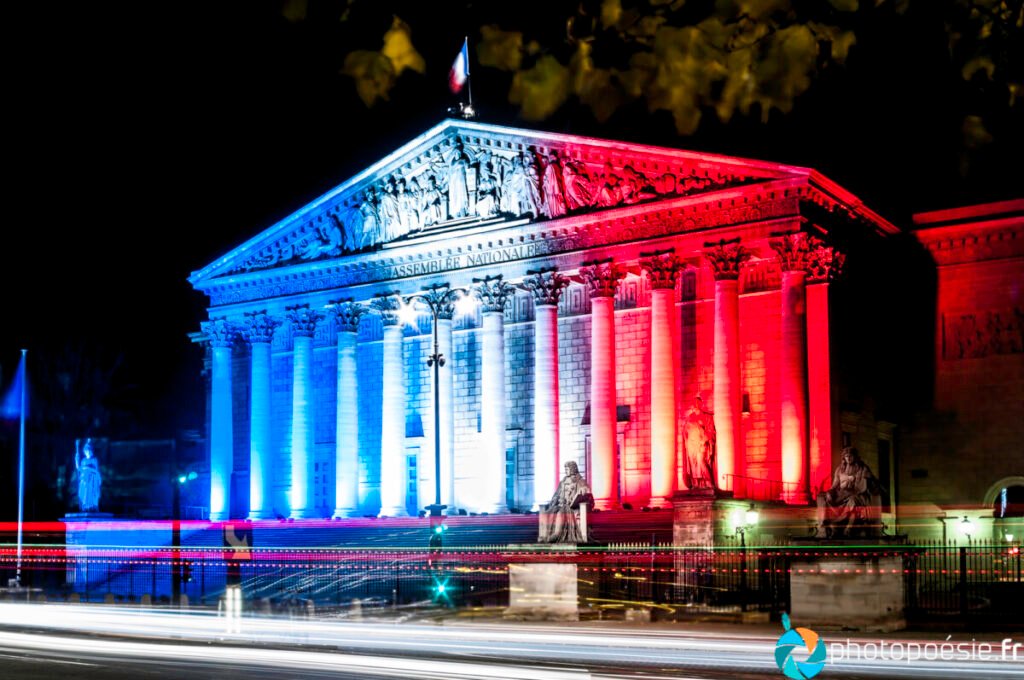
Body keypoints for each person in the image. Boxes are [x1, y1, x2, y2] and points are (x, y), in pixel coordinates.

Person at [815, 447, 881, 538]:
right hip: (842, 494)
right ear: (844, 458)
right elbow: (834, 485)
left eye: (850, 456)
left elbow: (871, 484)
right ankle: (832, 526)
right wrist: (829, 492)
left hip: (857, 493)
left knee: (853, 502)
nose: (848, 458)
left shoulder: (862, 468)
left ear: (855, 457)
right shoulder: (839, 469)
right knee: (827, 499)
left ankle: (849, 528)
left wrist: (869, 478)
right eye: (846, 456)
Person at [538, 461, 594, 543]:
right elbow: (556, 494)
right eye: (565, 469)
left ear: (572, 469)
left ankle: (556, 534)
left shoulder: (579, 480)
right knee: (548, 512)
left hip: (570, 507)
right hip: (560, 505)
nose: (566, 471)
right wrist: (555, 501)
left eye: (567, 469)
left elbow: (586, 488)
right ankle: (544, 535)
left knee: (561, 512)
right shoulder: (563, 481)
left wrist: (584, 489)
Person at [682, 395, 717, 489]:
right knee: (693, 464)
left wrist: (704, 440)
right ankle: (696, 484)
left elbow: (710, 431)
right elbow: (685, 431)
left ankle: (709, 482)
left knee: (701, 461)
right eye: (694, 403)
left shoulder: (707, 416)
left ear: (701, 404)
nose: (696, 405)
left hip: (701, 442)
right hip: (691, 444)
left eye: (698, 403)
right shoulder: (689, 418)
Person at [75, 438, 102, 513]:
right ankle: (85, 508)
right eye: (86, 451)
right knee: (84, 494)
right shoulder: (83, 460)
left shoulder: (94, 460)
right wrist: (76, 460)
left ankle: (92, 507)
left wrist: (88, 468)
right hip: (84, 480)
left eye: (89, 450)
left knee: (91, 495)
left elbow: (96, 471)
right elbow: (79, 469)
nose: (88, 452)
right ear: (85, 451)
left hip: (92, 480)